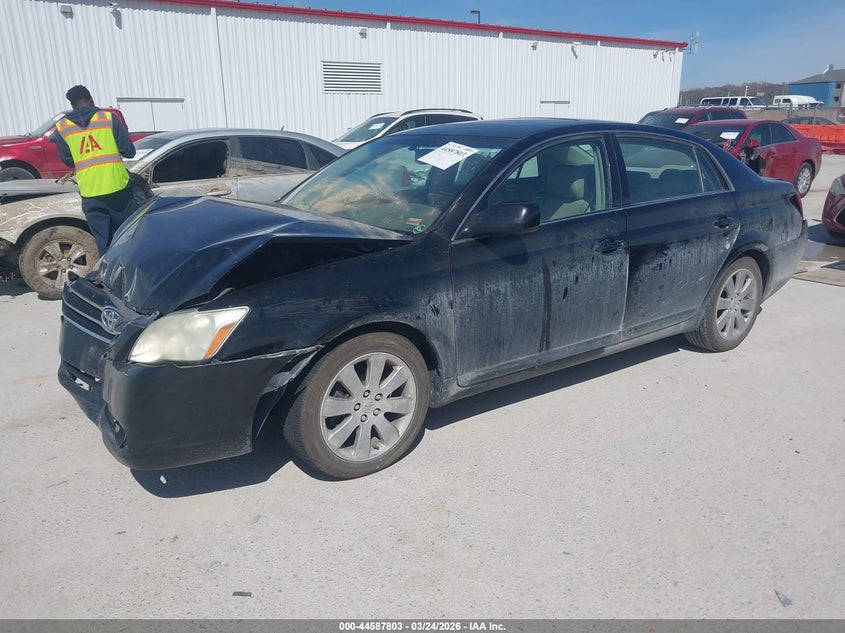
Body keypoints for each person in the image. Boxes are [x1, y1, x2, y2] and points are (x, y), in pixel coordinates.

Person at [52, 85, 137, 254]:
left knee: (103, 242)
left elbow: (68, 161)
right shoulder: (108, 118)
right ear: (91, 100)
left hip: (90, 192)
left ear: (72, 104)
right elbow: (129, 151)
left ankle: (108, 276)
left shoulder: (62, 127)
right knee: (128, 237)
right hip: (118, 189)